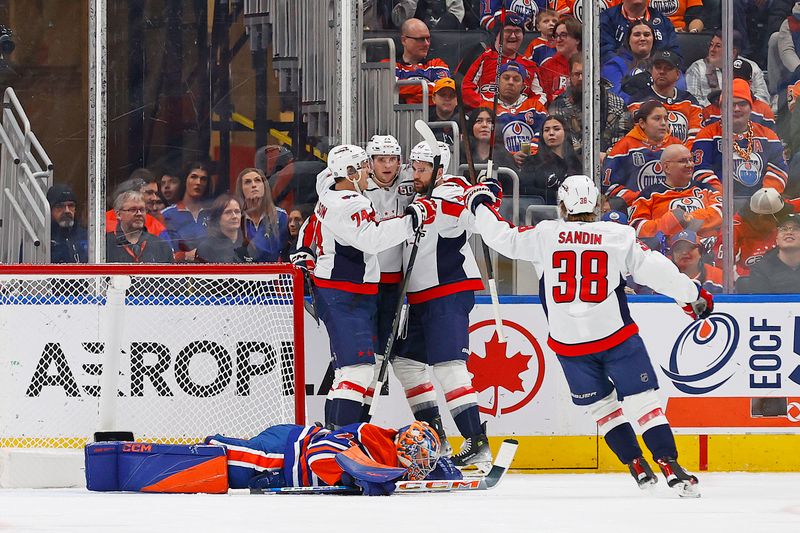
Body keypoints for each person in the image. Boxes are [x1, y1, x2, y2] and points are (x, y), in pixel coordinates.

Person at [466, 174, 711, 497]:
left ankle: (636, 465)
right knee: (644, 403)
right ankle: (670, 467)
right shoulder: (618, 235)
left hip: (568, 345)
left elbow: (502, 237)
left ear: (562, 205)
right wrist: (691, 294)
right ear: (597, 203)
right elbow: (657, 270)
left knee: (604, 409)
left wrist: (481, 202)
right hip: (614, 336)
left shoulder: (545, 234)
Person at [290, 144, 436, 429]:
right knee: (357, 372)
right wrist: (412, 219)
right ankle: (341, 442)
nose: (369, 170)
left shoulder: (333, 191)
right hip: (344, 293)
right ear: (350, 172)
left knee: (351, 372)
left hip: (347, 292)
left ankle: (334, 436)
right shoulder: (349, 203)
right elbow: (372, 239)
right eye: (365, 166)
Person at [391, 141, 490, 472]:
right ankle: (437, 438)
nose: (416, 175)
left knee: (449, 366)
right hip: (420, 298)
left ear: (440, 169)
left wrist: (484, 197)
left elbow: (464, 212)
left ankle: (476, 442)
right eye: (414, 168)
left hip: (448, 291)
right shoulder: (421, 197)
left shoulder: (451, 191)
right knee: (405, 362)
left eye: (423, 169)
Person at [207, 421, 454, 495]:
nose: (426, 463)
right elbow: (318, 454)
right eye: (423, 456)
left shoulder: (392, 460)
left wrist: (444, 470)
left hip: (286, 465)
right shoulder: (369, 438)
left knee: (231, 475)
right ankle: (197, 450)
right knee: (224, 461)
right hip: (285, 451)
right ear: (406, 449)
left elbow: (411, 473)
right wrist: (353, 473)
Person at [692, 79, 789, 198]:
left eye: (742, 104)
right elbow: (701, 172)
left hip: (761, 204)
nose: (737, 109)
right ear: (721, 109)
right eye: (731, 104)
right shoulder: (707, 135)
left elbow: (778, 170)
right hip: (719, 202)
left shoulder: (768, 136)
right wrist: (722, 198)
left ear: (751, 108)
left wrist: (764, 197)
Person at [629, 144, 722, 243]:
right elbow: (636, 227)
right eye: (682, 161)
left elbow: (723, 212)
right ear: (667, 167)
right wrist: (670, 222)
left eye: (691, 160)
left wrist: (689, 219)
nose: (689, 165)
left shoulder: (706, 189)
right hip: (666, 253)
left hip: (706, 252)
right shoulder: (649, 195)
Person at [603, 99, 683, 205]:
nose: (663, 123)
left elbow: (687, 179)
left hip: (671, 205)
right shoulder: (625, 146)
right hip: (634, 207)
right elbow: (608, 185)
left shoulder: (677, 145)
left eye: (666, 118)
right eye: (657, 118)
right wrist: (638, 198)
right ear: (642, 123)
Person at [551, 53, 631, 159]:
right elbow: (563, 142)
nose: (580, 78)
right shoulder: (559, 105)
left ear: (596, 75)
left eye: (585, 73)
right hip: (572, 166)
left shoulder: (617, 103)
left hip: (610, 164)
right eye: (576, 74)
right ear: (570, 76)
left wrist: (607, 156)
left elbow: (623, 138)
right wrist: (591, 157)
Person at [463, 12, 546, 109]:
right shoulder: (484, 57)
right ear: (497, 34)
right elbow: (466, 90)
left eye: (517, 31)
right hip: (487, 116)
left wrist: (522, 111)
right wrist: (489, 108)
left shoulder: (530, 65)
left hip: (520, 119)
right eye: (508, 31)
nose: (513, 36)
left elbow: (540, 96)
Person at [712, 187, 794, 277]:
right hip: (749, 285)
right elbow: (722, 272)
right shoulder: (731, 232)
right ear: (762, 218)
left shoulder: (776, 216)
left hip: (781, 279)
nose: (782, 223)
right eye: (779, 218)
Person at [627, 50, 703, 144]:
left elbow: (696, 137)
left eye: (668, 68)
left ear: (678, 75)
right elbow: (641, 137)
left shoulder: (689, 101)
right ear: (651, 71)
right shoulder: (638, 100)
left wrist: (682, 155)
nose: (662, 71)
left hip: (684, 156)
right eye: (658, 67)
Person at [479, 61, 548, 165]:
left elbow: (544, 131)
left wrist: (525, 152)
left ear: (523, 86)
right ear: (498, 82)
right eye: (506, 78)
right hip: (499, 164)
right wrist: (509, 157)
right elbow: (483, 140)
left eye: (516, 79)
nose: (510, 82)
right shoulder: (486, 107)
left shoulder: (535, 106)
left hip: (533, 164)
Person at [685, 31, 770, 107]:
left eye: (718, 46)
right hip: (710, 118)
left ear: (732, 52)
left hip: (746, 116)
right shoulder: (697, 68)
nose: (712, 50)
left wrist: (743, 106)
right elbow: (693, 103)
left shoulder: (751, 67)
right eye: (711, 45)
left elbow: (764, 99)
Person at [518, 115, 583, 203]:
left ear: (566, 132)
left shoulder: (577, 162)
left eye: (556, 129)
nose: (551, 133)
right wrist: (556, 195)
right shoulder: (532, 162)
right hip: (541, 213)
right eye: (546, 130)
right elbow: (525, 191)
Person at [700, 58, 776, 129]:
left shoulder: (764, 111)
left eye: (740, 81)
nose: (735, 84)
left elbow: (770, 140)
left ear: (749, 83)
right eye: (732, 80)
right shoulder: (710, 110)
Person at [161, 161, 213, 261]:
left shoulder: (213, 214)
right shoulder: (166, 215)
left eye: (203, 179)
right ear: (185, 180)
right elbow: (162, 253)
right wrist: (185, 255)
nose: (198, 182)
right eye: (194, 177)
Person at [235, 168, 288, 263]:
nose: (254, 185)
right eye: (248, 182)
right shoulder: (236, 218)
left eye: (258, 180)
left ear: (264, 186)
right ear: (241, 189)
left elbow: (284, 251)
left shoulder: (280, 216)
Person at [599, 0, 679, 63]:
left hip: (657, 75)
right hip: (621, 75)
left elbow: (674, 55)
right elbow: (606, 54)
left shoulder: (663, 22)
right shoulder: (606, 19)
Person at [395, 18, 452, 105]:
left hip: (433, 115)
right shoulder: (390, 65)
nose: (426, 44)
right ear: (404, 40)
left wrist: (410, 99)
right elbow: (392, 89)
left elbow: (443, 91)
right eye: (421, 39)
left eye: (428, 39)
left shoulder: (437, 64)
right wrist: (429, 88)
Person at [739, 213, 800, 293]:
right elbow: (761, 304)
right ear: (776, 239)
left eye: (795, 229)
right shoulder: (761, 269)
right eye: (783, 229)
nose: (789, 232)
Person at [106, 190, 174, 263]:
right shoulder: (104, 244)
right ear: (118, 214)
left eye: (142, 210)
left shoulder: (161, 246)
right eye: (133, 210)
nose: (139, 214)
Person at [601, 18, 658, 104]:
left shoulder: (662, 64)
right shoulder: (614, 65)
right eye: (637, 35)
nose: (642, 38)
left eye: (647, 35)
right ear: (628, 40)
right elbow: (614, 100)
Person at [195, 194, 252, 263]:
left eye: (237, 212)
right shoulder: (206, 248)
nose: (234, 216)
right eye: (228, 212)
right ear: (218, 218)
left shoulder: (248, 246)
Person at [538, 17, 582, 103]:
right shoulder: (547, 66)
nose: (558, 40)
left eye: (563, 35)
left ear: (577, 39)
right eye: (556, 36)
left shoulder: (590, 64)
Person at [47, 183, 88, 263]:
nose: (67, 211)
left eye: (71, 205)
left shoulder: (87, 236)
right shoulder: (40, 240)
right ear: (50, 210)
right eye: (60, 206)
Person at [391, 0, 466, 29]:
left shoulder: (452, 8)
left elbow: (456, 16)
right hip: (414, 46)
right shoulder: (411, 3)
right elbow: (398, 21)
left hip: (445, 44)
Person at [429, 77, 460, 147]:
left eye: (452, 95)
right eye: (443, 95)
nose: (447, 98)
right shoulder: (424, 117)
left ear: (457, 100)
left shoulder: (464, 121)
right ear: (433, 98)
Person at [479, 0, 546, 31]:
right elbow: (485, 20)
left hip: (532, 42)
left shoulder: (542, 1)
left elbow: (547, 21)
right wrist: (519, 24)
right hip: (504, 41)